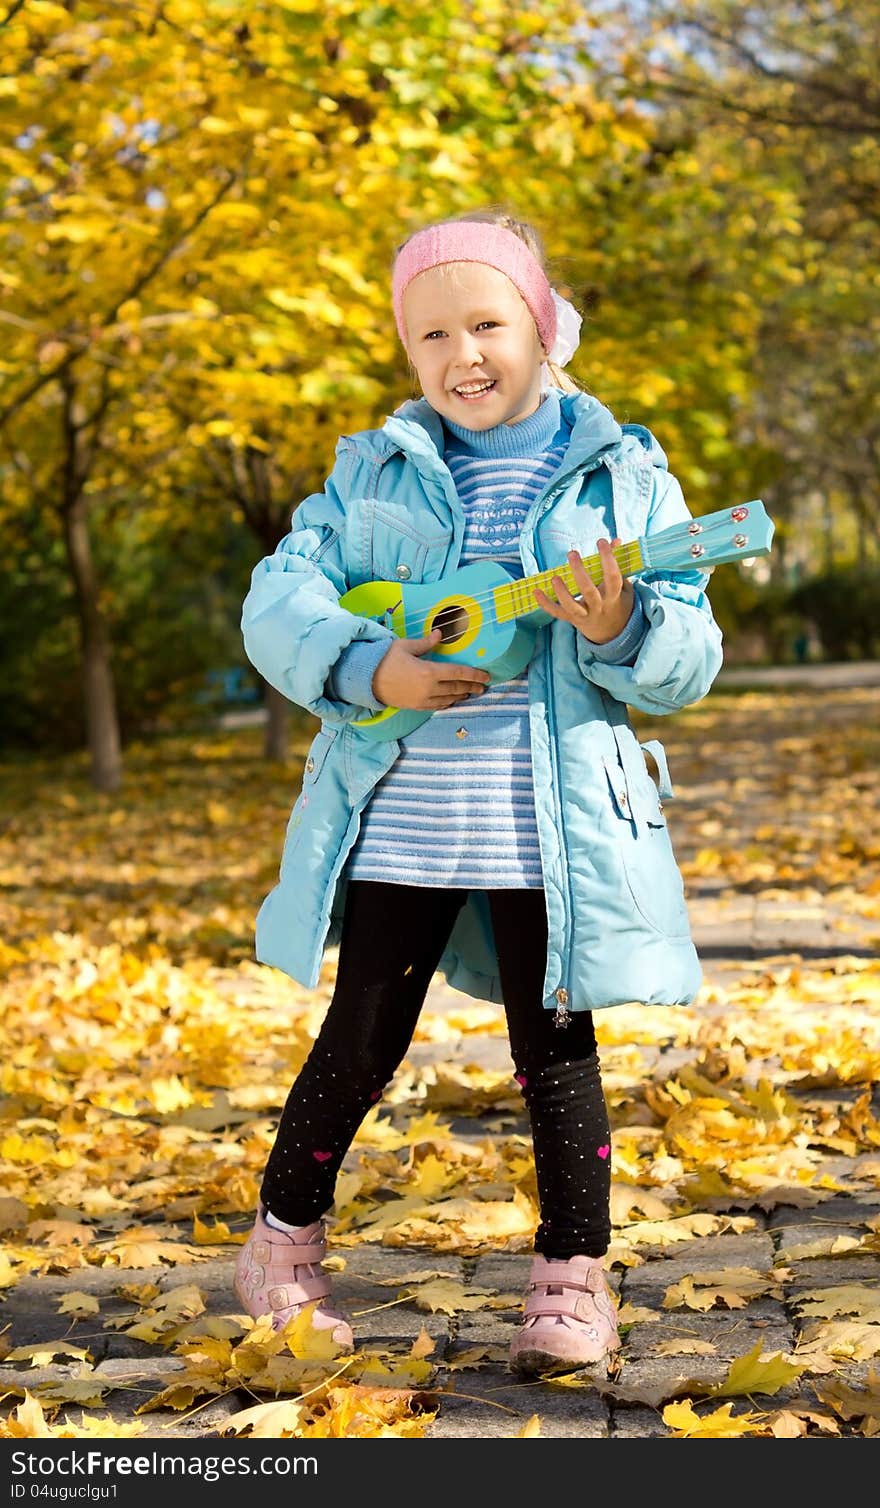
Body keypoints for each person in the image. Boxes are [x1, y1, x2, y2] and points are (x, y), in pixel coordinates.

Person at [235, 207, 723, 1374]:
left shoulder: (619, 475)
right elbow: (277, 598)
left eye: (489, 322)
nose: (463, 356)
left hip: (550, 829)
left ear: (544, 323)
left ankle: (571, 1275)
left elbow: (687, 656)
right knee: (359, 1039)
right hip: (403, 819)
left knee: (553, 1047)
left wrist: (622, 623)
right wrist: (368, 663)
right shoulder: (373, 471)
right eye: (431, 335)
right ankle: (279, 1246)